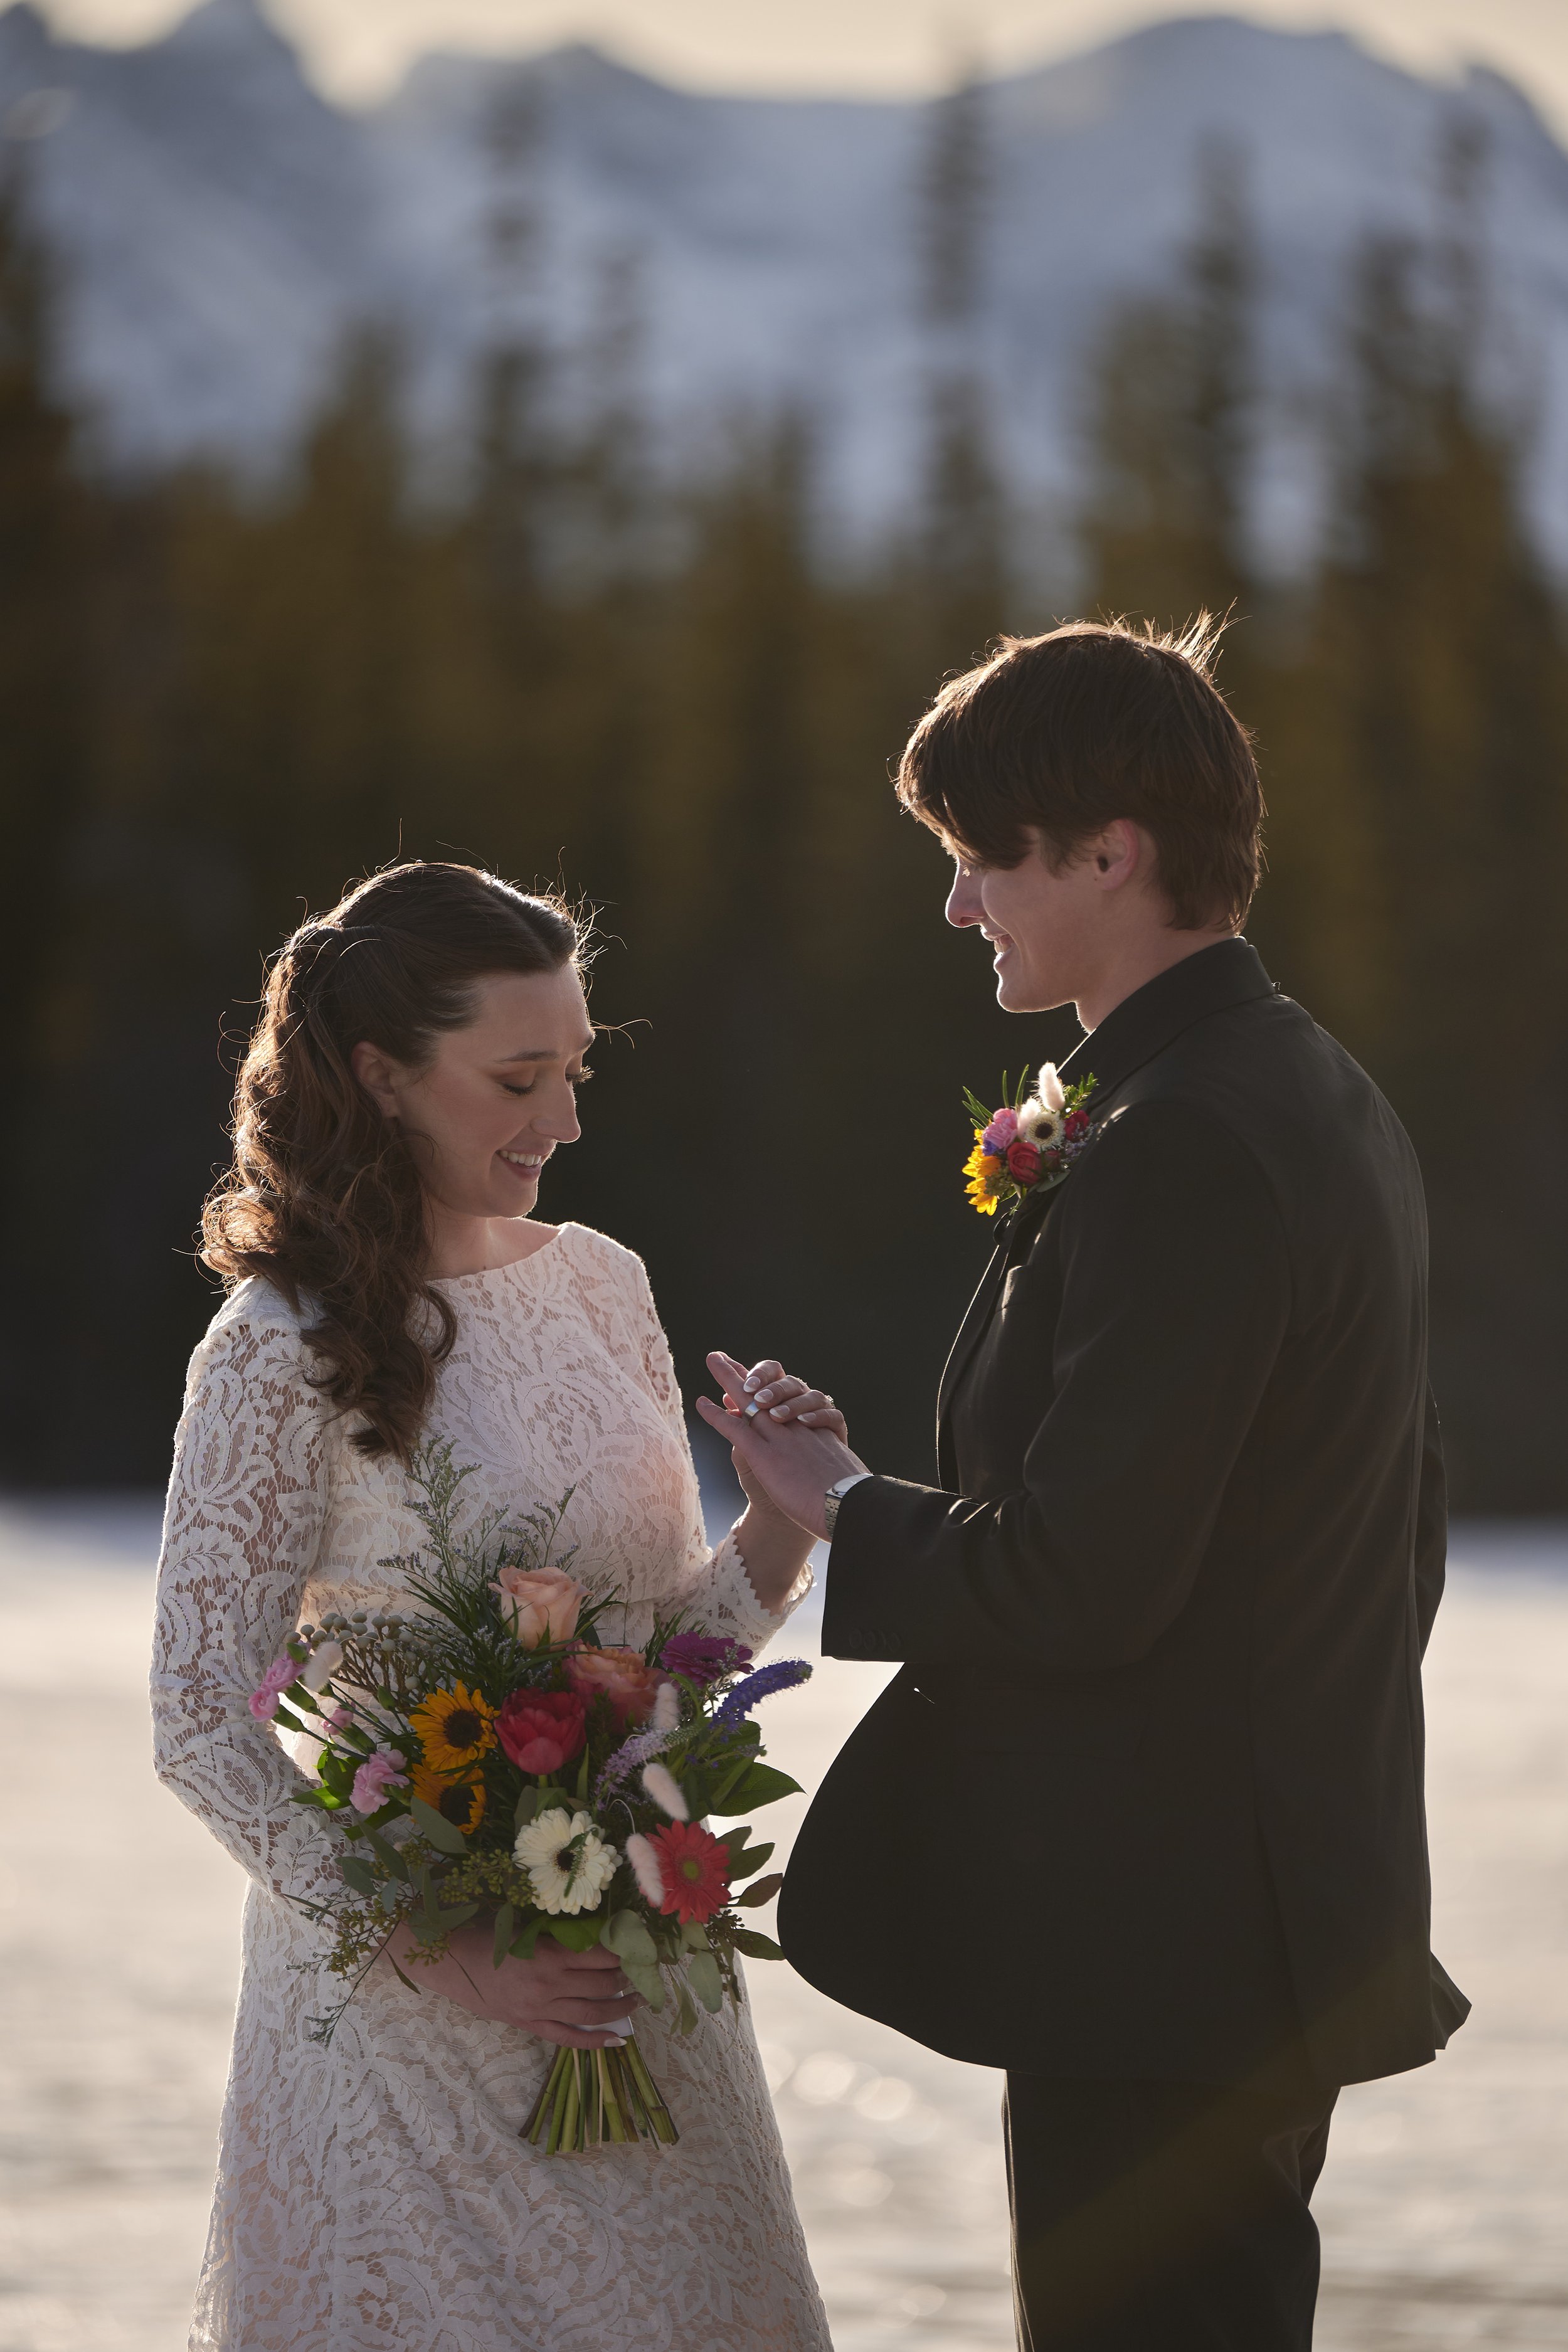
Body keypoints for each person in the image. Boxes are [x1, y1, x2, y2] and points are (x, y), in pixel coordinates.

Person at [698, 620, 1468, 2352]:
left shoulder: (1186, 1134)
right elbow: (1392, 1518)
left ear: (1110, 850)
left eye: (980, 860)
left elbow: (1083, 1578)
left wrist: (836, 1496)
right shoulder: (1310, 1088)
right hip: (1247, 1903)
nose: (959, 904)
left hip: (1169, 1936)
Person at [151, 861, 836, 2352]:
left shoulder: (603, 1286)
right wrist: (438, 1949)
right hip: (406, 2030)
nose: (567, 1122)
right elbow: (204, 1717)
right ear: (381, 1074)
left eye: (575, 1071)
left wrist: (779, 1526)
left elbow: (662, 1663)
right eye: (518, 1077)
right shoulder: (277, 1343)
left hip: (637, 1990)